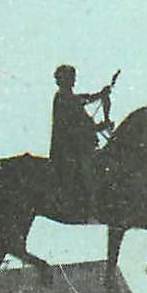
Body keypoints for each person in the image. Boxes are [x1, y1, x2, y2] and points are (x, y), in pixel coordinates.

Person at [49, 63, 114, 214]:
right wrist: (98, 127)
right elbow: (75, 128)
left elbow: (85, 99)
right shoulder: (63, 98)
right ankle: (91, 206)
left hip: (78, 149)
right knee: (89, 171)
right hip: (69, 152)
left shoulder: (70, 98)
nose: (73, 80)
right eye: (70, 77)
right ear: (62, 80)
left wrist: (100, 94)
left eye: (73, 77)